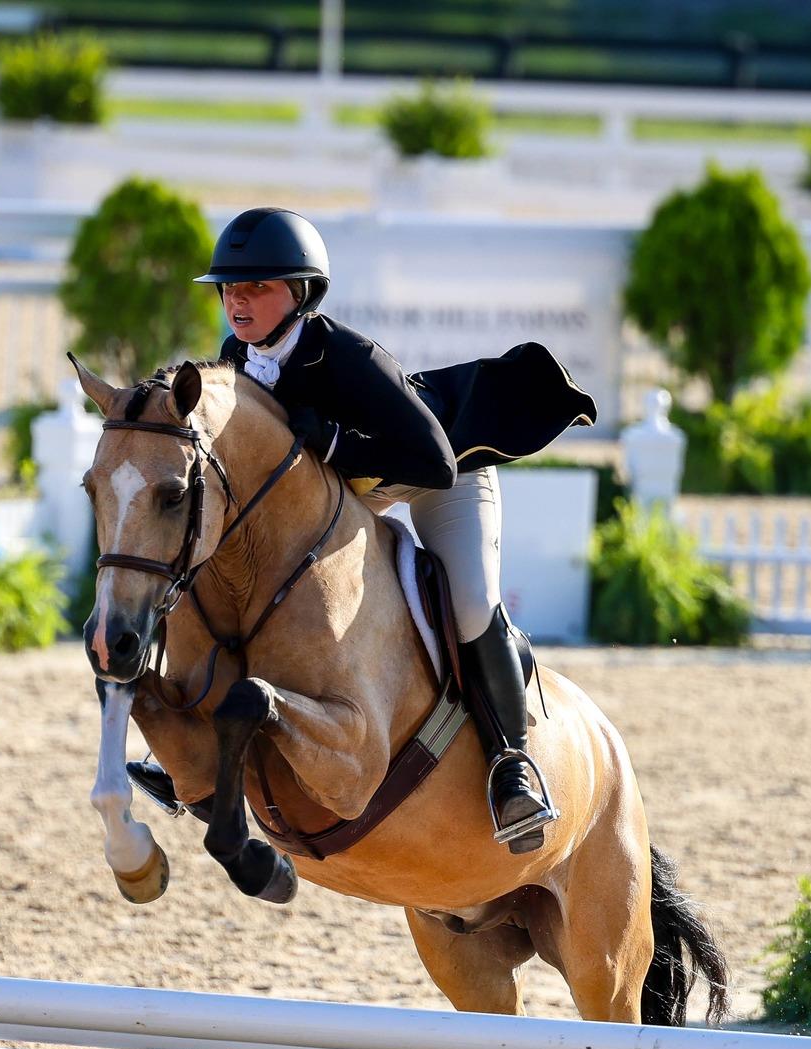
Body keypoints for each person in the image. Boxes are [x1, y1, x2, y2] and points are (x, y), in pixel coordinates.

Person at [128, 206, 596, 854]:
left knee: (468, 602)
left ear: (300, 293)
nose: (237, 301)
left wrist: (339, 442)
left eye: (256, 288)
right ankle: (201, 736)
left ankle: (512, 764)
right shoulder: (237, 355)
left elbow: (429, 461)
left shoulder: (348, 357)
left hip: (441, 475)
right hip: (351, 493)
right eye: (230, 288)